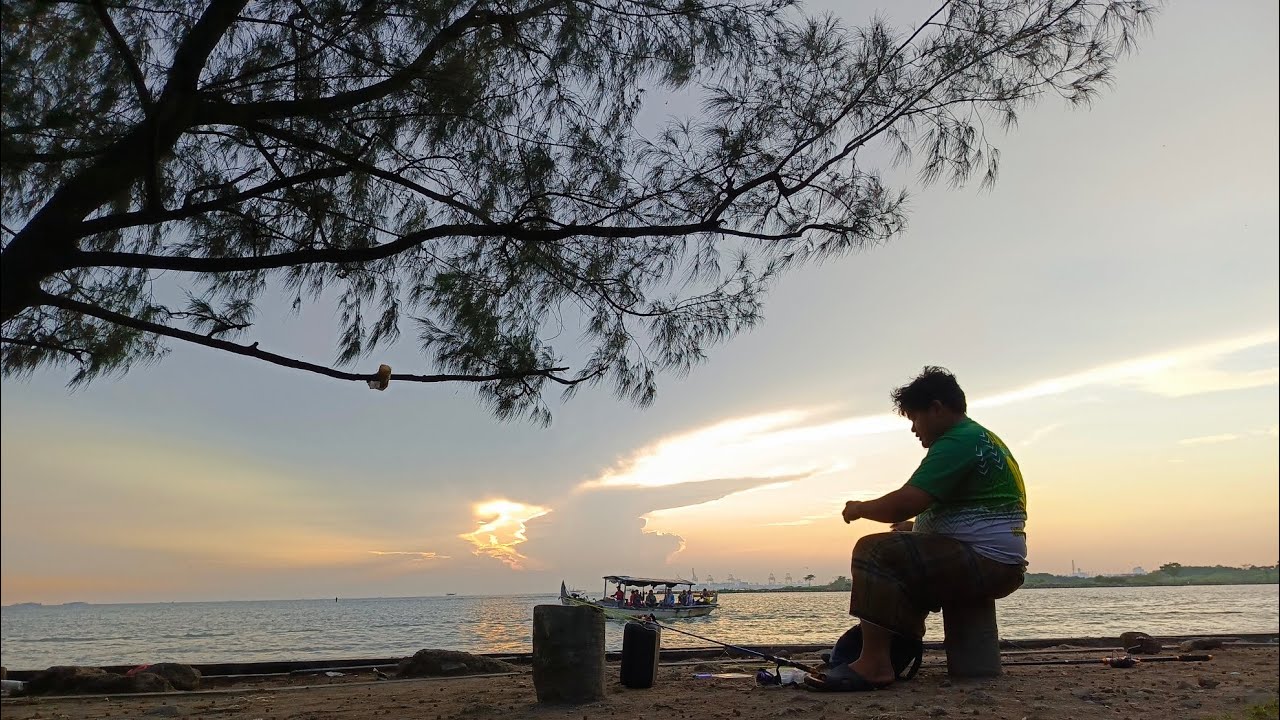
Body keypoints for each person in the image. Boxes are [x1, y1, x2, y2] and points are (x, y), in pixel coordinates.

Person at [809, 367, 1027, 692]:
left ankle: (874, 665)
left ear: (937, 408)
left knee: (874, 551)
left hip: (989, 563)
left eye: (915, 418)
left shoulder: (957, 442)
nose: (914, 429)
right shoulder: (979, 438)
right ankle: (896, 649)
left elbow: (905, 502)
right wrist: (916, 528)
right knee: (901, 548)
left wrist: (859, 508)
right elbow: (970, 515)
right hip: (993, 558)